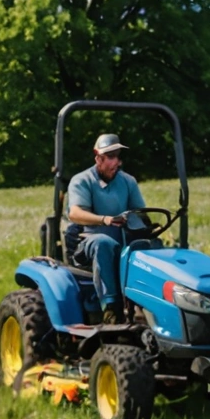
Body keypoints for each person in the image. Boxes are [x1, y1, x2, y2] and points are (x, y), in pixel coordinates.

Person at [65, 133, 149, 314]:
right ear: (98, 159)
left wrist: (147, 226)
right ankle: (111, 308)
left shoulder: (128, 181)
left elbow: (139, 214)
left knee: (150, 245)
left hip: (123, 243)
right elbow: (75, 213)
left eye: (117, 157)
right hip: (88, 245)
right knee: (103, 242)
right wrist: (105, 219)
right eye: (110, 157)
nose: (115, 163)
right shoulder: (82, 181)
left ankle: (152, 304)